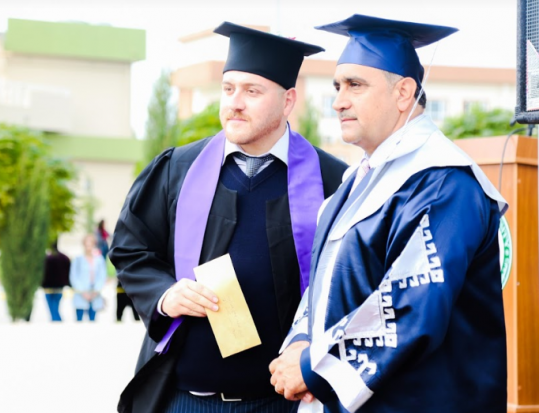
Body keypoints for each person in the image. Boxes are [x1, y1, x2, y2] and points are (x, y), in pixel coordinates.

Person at [269, 15, 508, 413]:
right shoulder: (356, 181)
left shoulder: (443, 183)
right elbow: (325, 285)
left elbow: (412, 305)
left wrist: (313, 367)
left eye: (355, 85)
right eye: (337, 86)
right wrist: (301, 341)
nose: (338, 101)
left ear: (403, 93)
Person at [109, 22, 348, 413]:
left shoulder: (332, 180)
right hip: (184, 400)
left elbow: (352, 281)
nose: (235, 103)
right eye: (228, 88)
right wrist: (165, 294)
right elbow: (131, 249)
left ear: (288, 101)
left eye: (252, 91)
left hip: (283, 404)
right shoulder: (178, 169)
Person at [70, 234, 107, 322]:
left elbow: (102, 276)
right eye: (86, 245)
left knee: (92, 320)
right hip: (81, 293)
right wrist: (83, 292)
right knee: (79, 320)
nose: (88, 247)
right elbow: (73, 277)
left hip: (95, 293)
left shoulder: (99, 259)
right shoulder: (78, 259)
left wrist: (96, 291)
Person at [42, 240, 71, 322]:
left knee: (53, 310)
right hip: (58, 288)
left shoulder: (47, 258)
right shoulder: (64, 258)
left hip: (50, 288)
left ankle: (58, 324)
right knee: (54, 309)